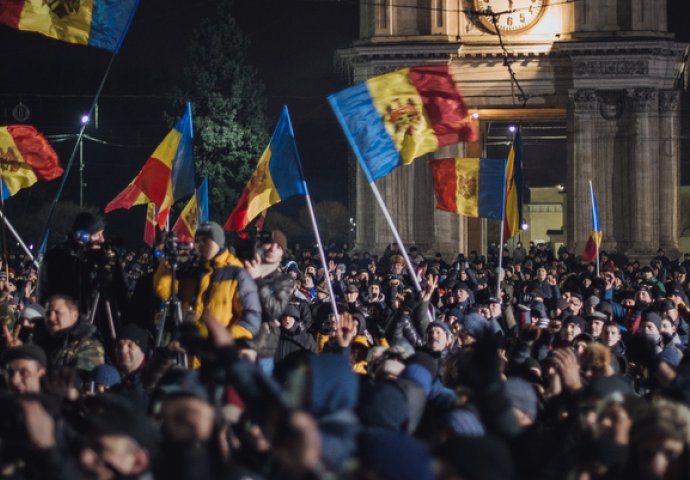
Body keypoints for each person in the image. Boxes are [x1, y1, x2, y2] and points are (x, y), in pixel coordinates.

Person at [154, 221, 262, 342]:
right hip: (188, 348)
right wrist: (167, 264)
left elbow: (251, 319)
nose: (201, 244)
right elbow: (164, 293)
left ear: (218, 242)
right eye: (198, 240)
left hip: (217, 353)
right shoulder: (191, 269)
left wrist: (222, 338)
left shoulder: (236, 273)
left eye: (206, 240)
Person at [39, 211, 129, 347]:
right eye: (97, 234)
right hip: (66, 325)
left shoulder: (108, 256)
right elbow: (44, 293)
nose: (102, 239)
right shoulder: (57, 256)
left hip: (104, 324)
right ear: (83, 236)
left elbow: (122, 293)